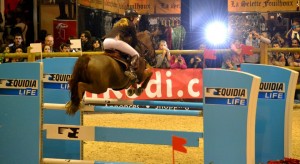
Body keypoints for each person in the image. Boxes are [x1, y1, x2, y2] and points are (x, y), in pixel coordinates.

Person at [103, 8, 140, 82]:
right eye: (136, 18)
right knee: (136, 54)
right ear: (132, 18)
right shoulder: (131, 24)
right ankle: (131, 71)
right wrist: (132, 48)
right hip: (115, 42)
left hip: (105, 42)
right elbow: (135, 40)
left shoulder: (118, 23)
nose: (137, 20)